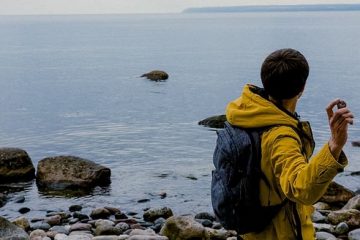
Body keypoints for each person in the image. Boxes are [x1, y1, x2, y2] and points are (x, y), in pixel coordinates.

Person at [225, 48, 354, 239]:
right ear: (302, 89)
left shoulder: (246, 113)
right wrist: (335, 145)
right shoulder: (281, 137)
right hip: (279, 233)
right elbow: (302, 190)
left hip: (250, 231)